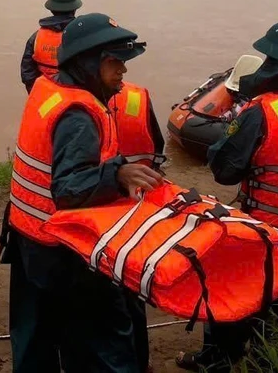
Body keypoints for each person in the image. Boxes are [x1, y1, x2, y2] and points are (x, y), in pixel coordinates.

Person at [2, 13, 164, 373]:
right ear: (88, 63)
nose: (123, 70)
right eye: (115, 62)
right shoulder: (79, 114)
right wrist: (116, 174)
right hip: (65, 250)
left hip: (28, 237)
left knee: (34, 337)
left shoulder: (48, 90)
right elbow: (68, 189)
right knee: (104, 343)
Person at [178, 21, 278, 372]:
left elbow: (225, 170)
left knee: (232, 294)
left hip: (266, 232)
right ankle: (267, 363)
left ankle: (218, 360)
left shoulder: (262, 111)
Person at [110, 81, 166, 373]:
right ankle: (140, 362)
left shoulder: (75, 102)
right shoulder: (138, 96)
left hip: (97, 215)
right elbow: (157, 147)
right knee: (130, 291)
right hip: (135, 212)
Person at [20, 0, 83, 93]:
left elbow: (27, 73)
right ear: (75, 9)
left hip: (45, 93)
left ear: (51, 9)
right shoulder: (84, 34)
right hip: (76, 94)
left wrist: (36, 93)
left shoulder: (36, 37)